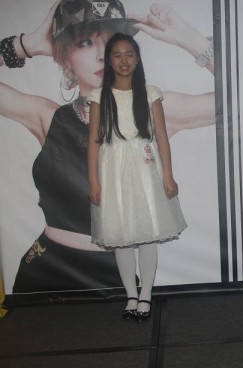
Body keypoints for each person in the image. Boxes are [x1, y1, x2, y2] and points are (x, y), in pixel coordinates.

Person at [0, 0, 214, 293]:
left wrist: (188, 39)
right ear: (65, 56)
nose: (102, 54)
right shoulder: (49, 117)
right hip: (44, 272)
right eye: (85, 42)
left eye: (111, 40)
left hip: (115, 275)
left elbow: (241, 96)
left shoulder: (154, 107)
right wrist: (27, 45)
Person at [87, 33, 186, 321]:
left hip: (145, 169)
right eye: (117, 55)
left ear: (138, 58)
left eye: (129, 54)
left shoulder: (150, 93)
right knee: (121, 235)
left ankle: (146, 295)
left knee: (147, 232)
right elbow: (94, 140)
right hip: (112, 170)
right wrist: (93, 180)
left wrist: (168, 175)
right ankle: (131, 294)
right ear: (109, 60)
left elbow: (162, 136)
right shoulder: (99, 97)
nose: (124, 60)